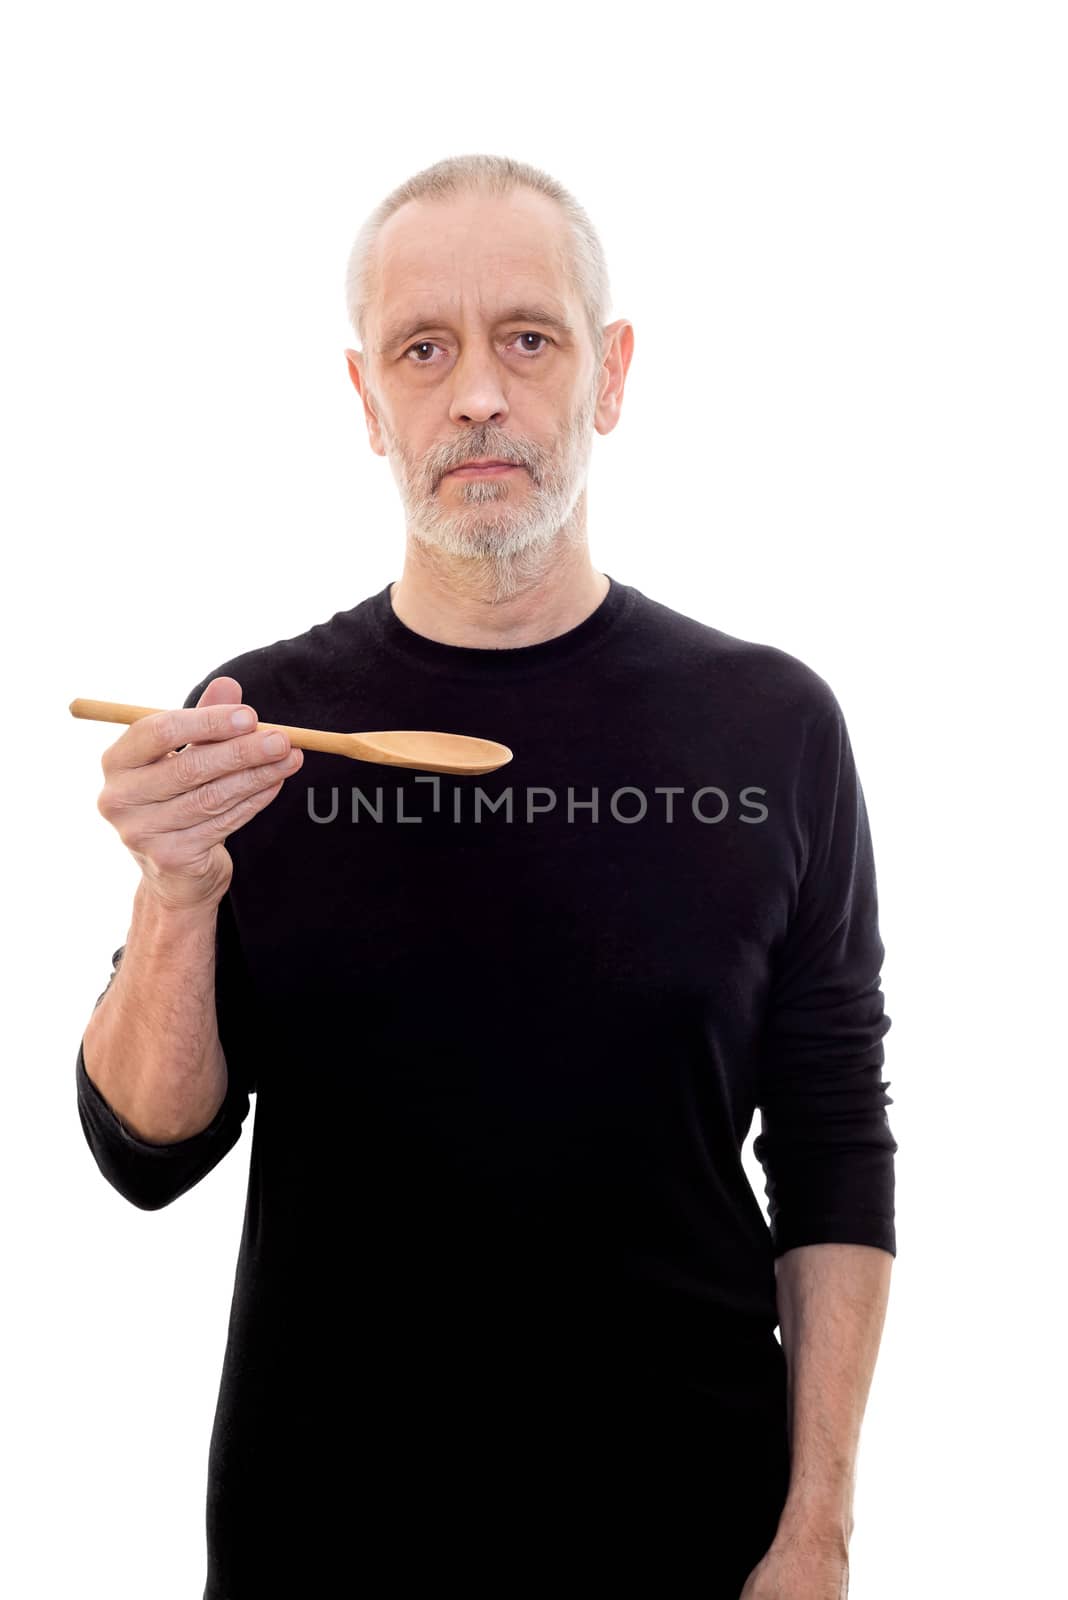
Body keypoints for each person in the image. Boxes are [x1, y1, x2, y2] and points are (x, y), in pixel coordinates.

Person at [75, 152, 897, 1600]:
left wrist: (817, 1526)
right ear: (366, 399)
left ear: (611, 372)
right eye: (423, 349)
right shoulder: (253, 727)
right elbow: (149, 1149)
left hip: (691, 1536)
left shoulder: (773, 724)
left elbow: (833, 1145)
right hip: (324, 1538)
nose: (476, 395)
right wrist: (176, 897)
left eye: (528, 338)